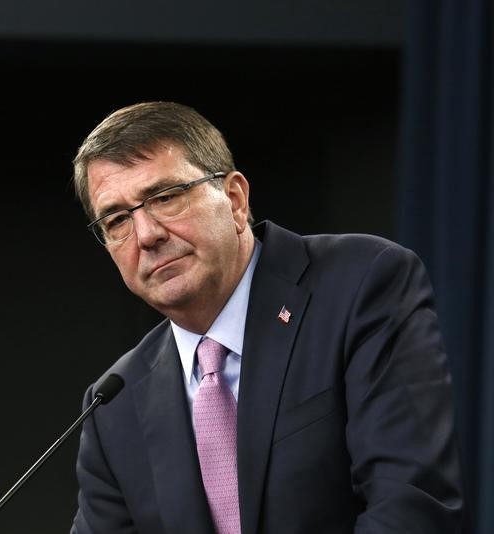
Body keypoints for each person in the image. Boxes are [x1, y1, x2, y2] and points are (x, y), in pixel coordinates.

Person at [69, 101, 463, 533]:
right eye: (117, 219)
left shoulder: (362, 285)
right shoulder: (114, 405)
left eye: (165, 198)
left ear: (235, 199)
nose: (146, 235)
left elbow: (410, 507)